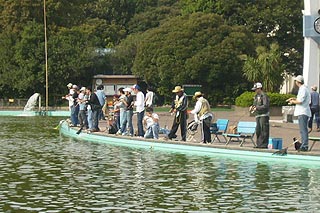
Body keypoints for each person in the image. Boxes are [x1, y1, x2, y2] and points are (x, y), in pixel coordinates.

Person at [287, 75, 311, 151]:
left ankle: (305, 145)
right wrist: (293, 98)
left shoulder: (303, 89)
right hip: (303, 112)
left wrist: (292, 101)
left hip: (303, 112)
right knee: (303, 130)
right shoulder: (303, 89)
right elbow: (300, 99)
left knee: (303, 130)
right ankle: (304, 145)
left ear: (298, 82)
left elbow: (300, 101)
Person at [249, 82, 270, 149]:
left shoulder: (264, 96)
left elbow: (265, 106)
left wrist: (257, 108)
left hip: (264, 115)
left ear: (259, 88)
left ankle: (263, 145)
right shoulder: (256, 96)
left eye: (256, 89)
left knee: (264, 130)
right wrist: (252, 107)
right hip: (257, 115)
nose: (255, 91)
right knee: (258, 130)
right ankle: (258, 144)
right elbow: (255, 104)